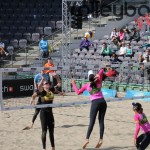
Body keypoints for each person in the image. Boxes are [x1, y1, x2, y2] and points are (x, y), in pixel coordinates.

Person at [71, 69, 107, 149]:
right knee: (101, 121)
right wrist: (98, 75)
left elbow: (78, 92)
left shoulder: (87, 85)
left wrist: (73, 84)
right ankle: (101, 139)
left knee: (92, 122)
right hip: (103, 101)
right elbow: (101, 70)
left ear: (88, 78)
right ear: (93, 76)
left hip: (95, 103)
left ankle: (87, 139)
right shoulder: (99, 81)